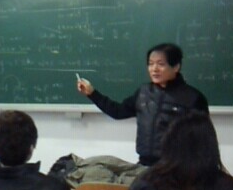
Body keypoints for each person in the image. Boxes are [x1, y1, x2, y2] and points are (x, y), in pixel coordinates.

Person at [77, 43, 209, 166]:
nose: (154, 69)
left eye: (161, 64)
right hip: (144, 165)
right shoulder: (144, 93)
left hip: (176, 167)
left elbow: (204, 141)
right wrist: (92, 93)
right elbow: (118, 112)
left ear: (176, 67)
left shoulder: (192, 98)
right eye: (150, 64)